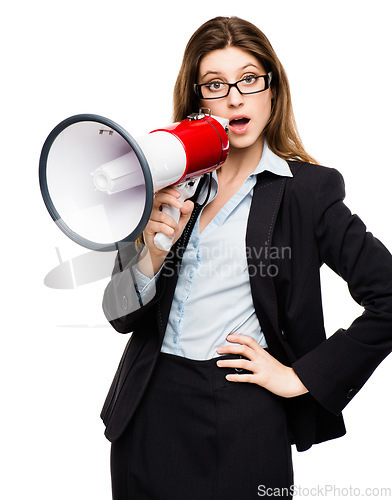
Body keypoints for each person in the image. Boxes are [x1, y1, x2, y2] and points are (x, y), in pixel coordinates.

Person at [100, 16, 392, 500]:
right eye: (216, 84)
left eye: (249, 79)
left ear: (272, 91)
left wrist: (300, 377)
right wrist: (150, 256)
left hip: (243, 414)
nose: (235, 97)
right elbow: (118, 315)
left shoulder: (309, 194)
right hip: (150, 408)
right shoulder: (165, 184)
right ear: (199, 101)